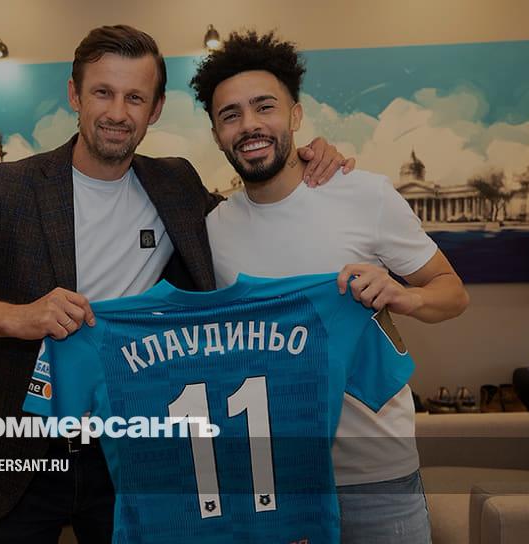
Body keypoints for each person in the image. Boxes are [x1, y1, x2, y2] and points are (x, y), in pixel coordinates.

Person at [0, 25, 350, 544]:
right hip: (23, 452)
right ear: (74, 95)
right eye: (102, 93)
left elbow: (251, 225)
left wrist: (302, 159)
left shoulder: (176, 184)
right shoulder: (10, 188)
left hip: (133, 453)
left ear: (155, 109)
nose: (117, 112)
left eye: (135, 97)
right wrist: (18, 317)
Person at [191, 30, 470, 543]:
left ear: (295, 115)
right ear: (216, 134)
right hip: (274, 478)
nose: (249, 125)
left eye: (264, 107)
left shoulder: (365, 194)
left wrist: (404, 295)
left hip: (379, 475)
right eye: (230, 115)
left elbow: (453, 292)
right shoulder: (212, 231)